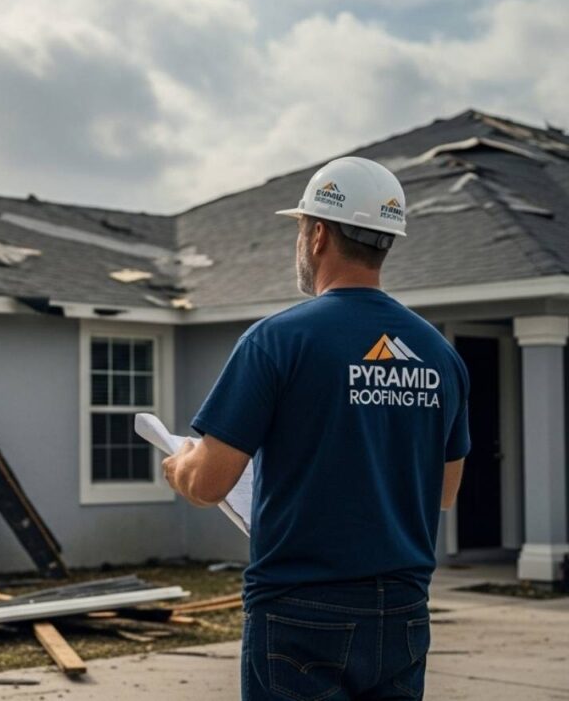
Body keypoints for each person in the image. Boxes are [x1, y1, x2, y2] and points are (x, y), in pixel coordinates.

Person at [161, 157, 470, 700]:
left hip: (301, 610)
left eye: (302, 229)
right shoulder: (440, 356)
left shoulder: (277, 341)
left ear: (319, 233)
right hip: (402, 610)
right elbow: (444, 493)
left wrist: (179, 463)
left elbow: (208, 485)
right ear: (385, 241)